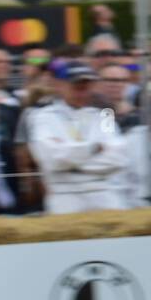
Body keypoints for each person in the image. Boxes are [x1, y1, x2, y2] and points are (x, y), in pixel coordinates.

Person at [29, 60, 128, 214]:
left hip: (104, 198)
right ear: (59, 84)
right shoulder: (42, 117)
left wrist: (71, 163)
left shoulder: (105, 115)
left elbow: (118, 158)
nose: (82, 89)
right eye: (76, 84)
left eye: (87, 84)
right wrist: (94, 148)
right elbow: (51, 159)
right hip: (66, 200)